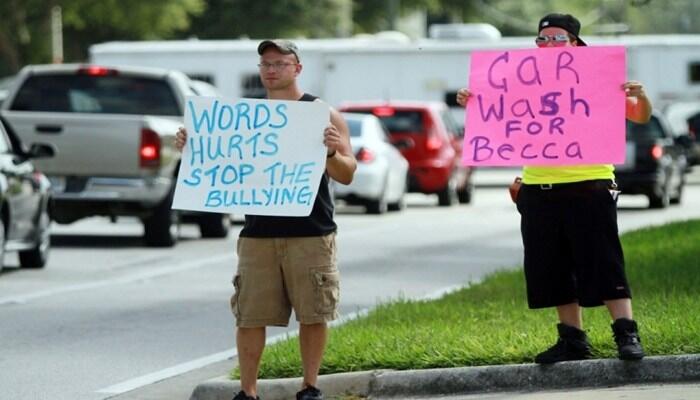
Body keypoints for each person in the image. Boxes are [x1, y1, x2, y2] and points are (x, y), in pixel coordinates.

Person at [456, 13, 652, 364]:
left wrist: (641, 96)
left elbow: (639, 116)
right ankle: (572, 339)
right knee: (553, 266)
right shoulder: (520, 79)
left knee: (604, 262)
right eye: (542, 39)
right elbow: (496, 112)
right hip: (539, 187)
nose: (548, 45)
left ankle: (626, 333)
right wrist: (474, 99)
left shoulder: (598, 78)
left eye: (557, 38)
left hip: (589, 184)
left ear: (575, 42)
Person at [176, 39, 356, 400]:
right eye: (265, 64)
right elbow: (220, 165)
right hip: (258, 233)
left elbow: (347, 172)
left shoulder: (322, 114)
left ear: (297, 68)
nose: (271, 70)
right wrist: (194, 146)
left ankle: (310, 386)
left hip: (311, 231)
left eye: (279, 63)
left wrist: (330, 152)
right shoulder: (246, 119)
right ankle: (248, 391)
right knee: (249, 316)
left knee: (313, 313)